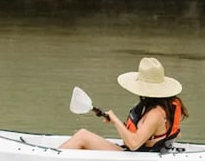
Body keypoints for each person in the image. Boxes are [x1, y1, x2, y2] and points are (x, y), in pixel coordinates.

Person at [59, 57, 188, 152]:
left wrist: (116, 121)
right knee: (83, 139)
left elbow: (133, 144)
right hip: (140, 154)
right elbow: (166, 135)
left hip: (139, 158)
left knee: (82, 136)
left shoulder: (156, 114)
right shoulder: (165, 107)